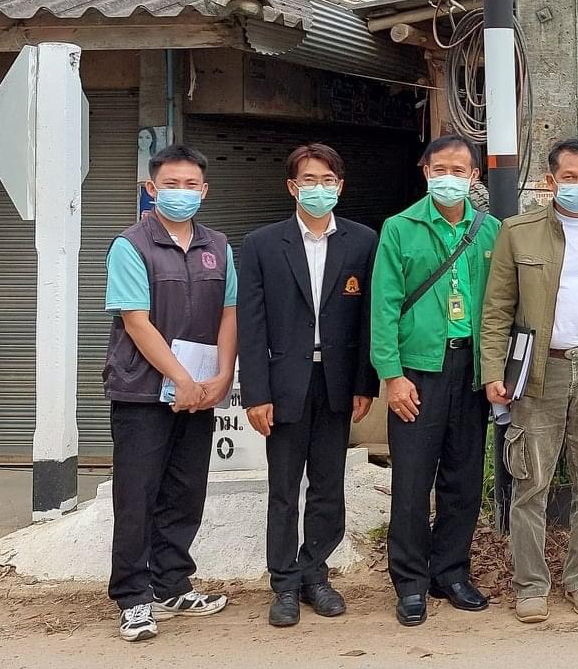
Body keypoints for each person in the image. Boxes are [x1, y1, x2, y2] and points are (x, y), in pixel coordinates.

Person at [481, 138, 578, 623]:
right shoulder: (517, 232)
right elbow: (497, 309)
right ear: (551, 182)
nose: (577, 186)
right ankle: (530, 585)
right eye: (567, 178)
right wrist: (492, 372)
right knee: (531, 482)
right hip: (537, 372)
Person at [237, 143, 377, 627]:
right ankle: (284, 583)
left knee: (328, 485)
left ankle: (315, 572)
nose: (320, 189)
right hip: (283, 382)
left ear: (341, 185)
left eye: (328, 180)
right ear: (292, 187)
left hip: (337, 382)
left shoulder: (363, 241)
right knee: (283, 486)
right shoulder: (260, 244)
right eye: (310, 180)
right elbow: (251, 325)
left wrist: (365, 383)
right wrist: (256, 392)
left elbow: (367, 322)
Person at [103, 144, 238, 642]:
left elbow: (230, 314)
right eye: (171, 184)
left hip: (201, 391)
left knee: (185, 491)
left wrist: (223, 375)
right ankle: (133, 597)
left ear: (204, 189)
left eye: (191, 185)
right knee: (137, 494)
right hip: (143, 392)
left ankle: (172, 583)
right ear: (151, 188)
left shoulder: (218, 245)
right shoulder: (130, 245)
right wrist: (180, 378)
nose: (181, 193)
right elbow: (136, 322)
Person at [370, 134, 502, 627]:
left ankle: (451, 572)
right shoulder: (399, 228)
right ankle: (410, 582)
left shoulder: (490, 231)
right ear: (425, 171)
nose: (449, 178)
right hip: (417, 373)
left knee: (463, 480)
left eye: (460, 170)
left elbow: (499, 305)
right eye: (439, 168)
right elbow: (383, 305)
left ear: (474, 178)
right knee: (410, 482)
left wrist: (496, 372)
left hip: (470, 370)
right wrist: (392, 374)